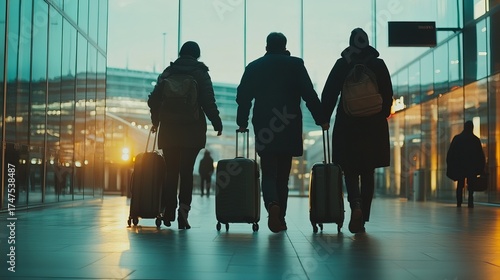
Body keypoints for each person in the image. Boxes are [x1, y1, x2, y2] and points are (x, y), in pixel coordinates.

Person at [236, 32, 329, 233]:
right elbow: (309, 94)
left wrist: (241, 122)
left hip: (264, 126)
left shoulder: (254, 67)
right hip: (288, 124)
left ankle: (272, 206)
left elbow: (243, 96)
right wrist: (321, 118)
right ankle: (282, 218)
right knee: (283, 176)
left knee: (268, 172)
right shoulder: (295, 65)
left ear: (267, 46)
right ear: (285, 45)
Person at [321, 28, 393, 234]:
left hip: (348, 124)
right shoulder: (378, 64)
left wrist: (324, 117)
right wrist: (382, 113)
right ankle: (363, 218)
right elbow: (388, 94)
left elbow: (330, 92)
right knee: (367, 170)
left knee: (350, 170)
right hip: (373, 126)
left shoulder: (342, 64)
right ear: (367, 43)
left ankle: (356, 206)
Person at [148, 41, 223, 229]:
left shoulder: (168, 72)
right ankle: (183, 211)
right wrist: (216, 122)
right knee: (186, 171)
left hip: (169, 130)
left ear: (181, 53)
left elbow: (153, 100)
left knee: (170, 171)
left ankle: (168, 210)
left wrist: (155, 121)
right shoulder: (201, 73)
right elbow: (208, 101)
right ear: (197, 55)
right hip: (192, 131)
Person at [446, 120, 486, 208]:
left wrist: (451, 165)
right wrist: (481, 167)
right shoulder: (475, 140)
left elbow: (451, 154)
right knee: (471, 185)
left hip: (460, 167)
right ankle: (470, 202)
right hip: (471, 167)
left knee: (460, 184)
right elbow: (480, 155)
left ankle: (459, 202)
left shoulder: (457, 138)